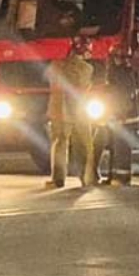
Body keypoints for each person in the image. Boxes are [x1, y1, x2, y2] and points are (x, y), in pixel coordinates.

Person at [46, 35, 95, 188]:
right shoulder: (87, 69)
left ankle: (58, 179)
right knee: (85, 144)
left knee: (59, 143)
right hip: (80, 112)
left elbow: (49, 79)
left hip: (59, 111)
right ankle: (87, 178)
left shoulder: (55, 65)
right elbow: (86, 87)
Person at [95, 46, 139, 186]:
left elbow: (123, 97)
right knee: (115, 146)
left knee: (121, 147)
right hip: (118, 115)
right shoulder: (123, 73)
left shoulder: (122, 74)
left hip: (123, 116)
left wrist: (120, 114)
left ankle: (122, 177)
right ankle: (114, 176)